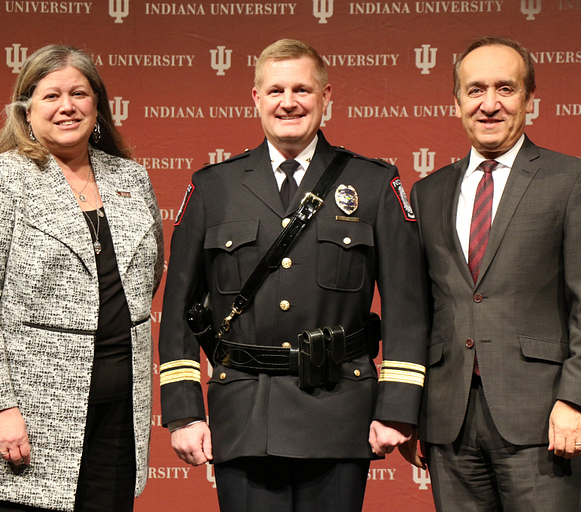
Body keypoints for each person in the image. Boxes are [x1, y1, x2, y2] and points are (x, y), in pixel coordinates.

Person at [158, 39, 427, 512]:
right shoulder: (212, 187)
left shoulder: (373, 184)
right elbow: (180, 311)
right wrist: (183, 412)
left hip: (340, 409)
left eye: (302, 89)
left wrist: (398, 408)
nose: (289, 102)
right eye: (276, 90)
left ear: (327, 98)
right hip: (243, 413)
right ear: (256, 99)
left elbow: (407, 305)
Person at [0, 45, 164, 512]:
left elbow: (146, 277)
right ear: (27, 109)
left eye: (79, 93)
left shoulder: (131, 177)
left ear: (98, 106)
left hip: (116, 418)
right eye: (51, 95)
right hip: (26, 416)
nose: (66, 106)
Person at [407, 36, 581, 511]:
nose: (489, 104)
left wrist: (577, 401)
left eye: (505, 89)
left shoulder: (572, 181)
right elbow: (419, 312)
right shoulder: (428, 192)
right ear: (457, 101)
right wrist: (407, 411)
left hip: (543, 418)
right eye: (475, 90)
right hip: (448, 421)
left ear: (529, 99)